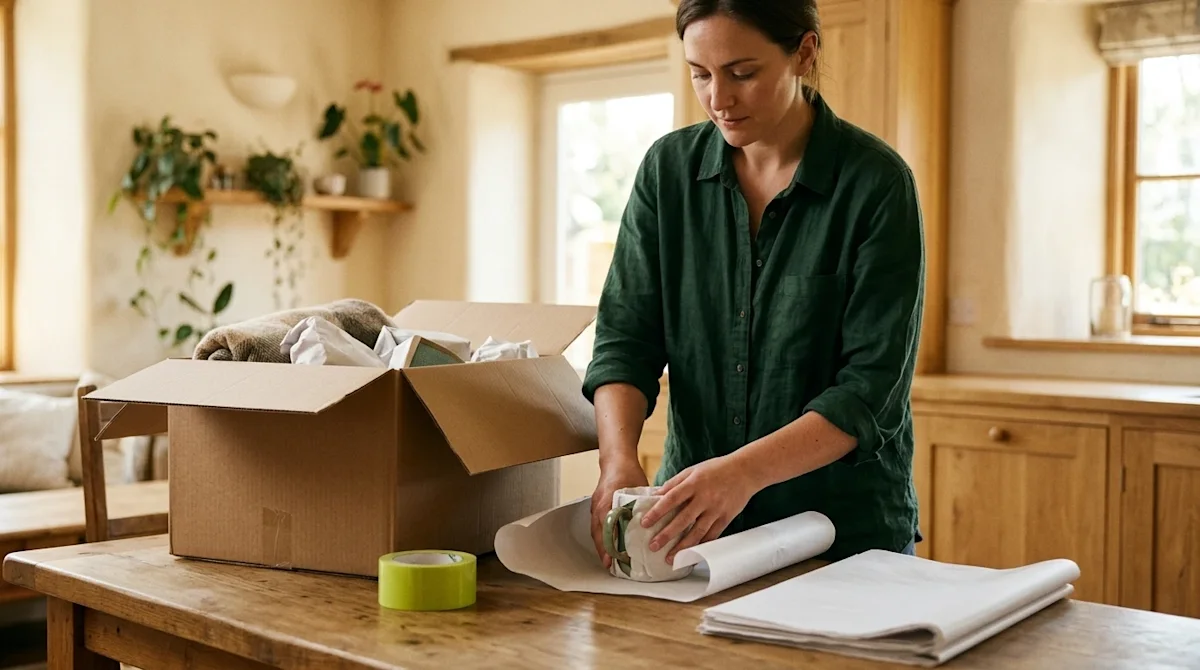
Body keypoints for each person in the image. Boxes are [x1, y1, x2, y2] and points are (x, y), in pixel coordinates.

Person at [582, 0, 925, 569]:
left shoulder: (875, 184)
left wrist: (742, 473)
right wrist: (617, 460)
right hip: (691, 532)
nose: (719, 97)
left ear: (804, 53)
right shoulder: (667, 174)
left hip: (842, 538)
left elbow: (869, 391)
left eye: (743, 73)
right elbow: (625, 342)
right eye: (700, 74)